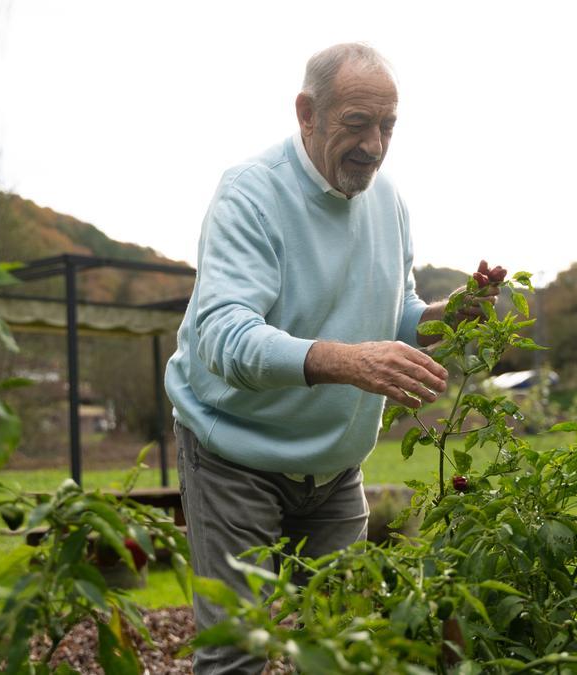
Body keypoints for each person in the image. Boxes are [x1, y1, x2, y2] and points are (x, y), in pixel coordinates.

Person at [164, 42, 487, 674]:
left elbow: (395, 314)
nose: (374, 145)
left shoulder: (388, 201)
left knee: (343, 651)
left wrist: (450, 316)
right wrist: (349, 362)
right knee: (236, 653)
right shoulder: (251, 195)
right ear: (307, 113)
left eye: (387, 126)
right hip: (237, 453)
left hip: (336, 467)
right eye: (357, 123)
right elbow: (224, 337)